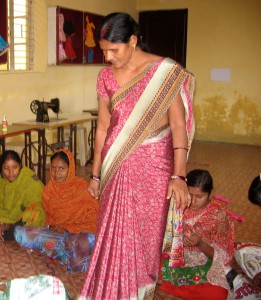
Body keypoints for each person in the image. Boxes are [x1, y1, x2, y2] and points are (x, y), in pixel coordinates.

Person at [79, 12, 195, 300]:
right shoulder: (105, 76)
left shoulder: (164, 72)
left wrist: (179, 176)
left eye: (113, 50)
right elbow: (103, 127)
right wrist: (95, 173)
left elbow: (178, 124)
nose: (107, 57)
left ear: (132, 41)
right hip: (114, 164)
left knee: (145, 236)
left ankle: (137, 292)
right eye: (103, 49)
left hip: (154, 165)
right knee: (112, 233)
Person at [14, 149, 99, 273]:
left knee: (86, 240)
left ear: (70, 169)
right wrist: (52, 226)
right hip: (57, 235)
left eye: (61, 168)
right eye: (53, 168)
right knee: (21, 233)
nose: (56, 173)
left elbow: (94, 220)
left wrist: (68, 229)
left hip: (78, 234)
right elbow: (46, 217)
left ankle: (65, 253)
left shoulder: (82, 189)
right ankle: (67, 254)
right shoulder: (48, 191)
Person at [160, 169, 235, 300]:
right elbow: (161, 237)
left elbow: (224, 255)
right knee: (147, 272)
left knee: (217, 294)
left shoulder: (219, 214)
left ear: (210, 193)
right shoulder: (176, 203)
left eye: (200, 196)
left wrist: (200, 244)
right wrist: (175, 233)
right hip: (175, 258)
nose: (193, 201)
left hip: (204, 263)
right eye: (190, 194)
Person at [0, 150, 44, 241]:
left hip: (24, 217)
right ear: (1, 168)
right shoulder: (2, 180)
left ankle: (11, 229)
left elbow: (37, 203)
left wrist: (9, 223)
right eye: (6, 168)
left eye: (14, 167)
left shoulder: (28, 179)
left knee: (33, 216)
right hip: (7, 217)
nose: (11, 172)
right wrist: (2, 222)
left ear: (20, 165)